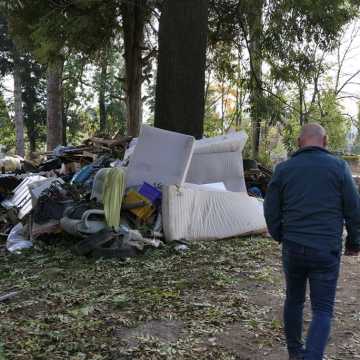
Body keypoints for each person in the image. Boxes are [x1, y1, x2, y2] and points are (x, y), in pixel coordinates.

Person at [264, 123, 360, 360]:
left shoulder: (284, 169)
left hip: (293, 247)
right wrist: (354, 242)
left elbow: (270, 209)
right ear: (325, 142)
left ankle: (296, 354)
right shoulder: (339, 167)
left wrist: (280, 235)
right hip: (326, 249)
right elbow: (354, 209)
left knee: (294, 301)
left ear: (299, 142)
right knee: (323, 309)